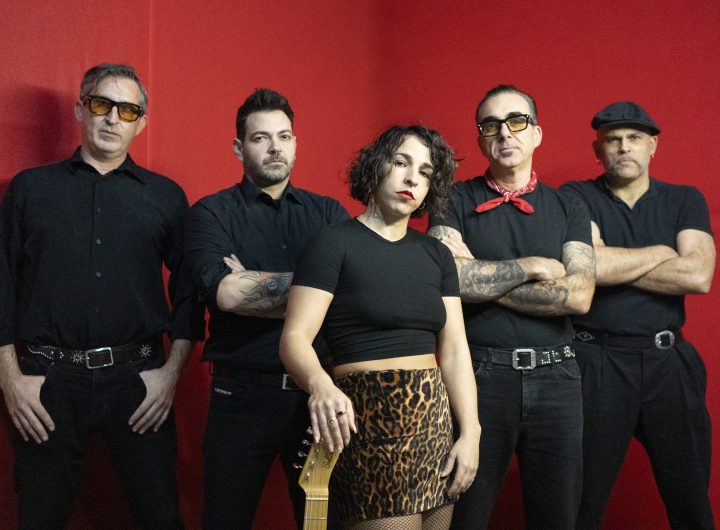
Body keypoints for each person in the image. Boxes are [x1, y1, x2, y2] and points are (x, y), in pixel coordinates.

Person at [0, 63, 199, 529]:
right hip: (46, 384)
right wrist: (10, 380)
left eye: (128, 110)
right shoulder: (30, 189)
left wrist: (170, 376)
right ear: (80, 109)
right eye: (101, 104)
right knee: (39, 518)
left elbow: (191, 291)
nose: (113, 118)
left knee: (161, 516)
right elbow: (1, 280)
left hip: (139, 381)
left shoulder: (167, 197)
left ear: (141, 123)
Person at [280, 124, 480, 530]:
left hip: (434, 425)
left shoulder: (437, 255)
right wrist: (319, 384)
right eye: (401, 163)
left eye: (425, 172)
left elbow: (456, 351)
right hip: (369, 423)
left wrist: (471, 432)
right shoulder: (333, 243)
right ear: (376, 166)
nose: (412, 179)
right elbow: (294, 338)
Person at [428, 85, 596, 529]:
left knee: (557, 518)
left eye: (516, 121)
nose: (504, 132)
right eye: (491, 125)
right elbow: (448, 279)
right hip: (479, 376)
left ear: (536, 133)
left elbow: (579, 295)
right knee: (463, 513)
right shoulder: (450, 199)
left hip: (558, 377)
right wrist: (532, 267)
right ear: (481, 139)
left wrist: (480, 278)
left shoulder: (569, 205)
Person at [183, 88, 349, 529]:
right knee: (224, 521)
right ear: (239, 148)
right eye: (261, 138)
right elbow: (227, 295)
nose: (275, 147)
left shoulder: (327, 213)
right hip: (240, 396)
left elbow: (353, 291)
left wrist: (254, 281)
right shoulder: (211, 214)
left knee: (323, 523)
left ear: (295, 143)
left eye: (284, 136)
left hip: (316, 396)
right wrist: (320, 289)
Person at [561, 102, 716, 530]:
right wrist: (663, 253)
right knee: (580, 504)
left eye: (634, 138)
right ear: (598, 150)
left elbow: (698, 275)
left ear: (653, 146)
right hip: (597, 362)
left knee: (691, 503)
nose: (623, 147)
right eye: (612, 140)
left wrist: (614, 263)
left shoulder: (684, 199)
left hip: (670, 363)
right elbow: (590, 268)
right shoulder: (576, 197)